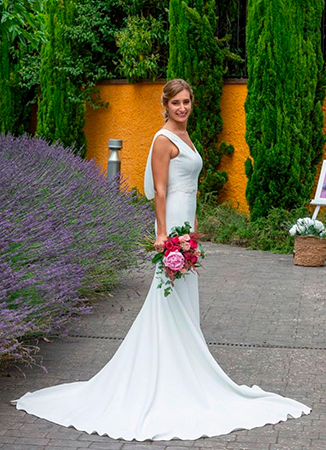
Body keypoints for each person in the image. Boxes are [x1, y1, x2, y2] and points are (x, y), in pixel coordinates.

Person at [13, 79, 311, 441]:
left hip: (187, 226)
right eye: (176, 103)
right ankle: (166, 371)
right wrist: (163, 234)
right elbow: (160, 189)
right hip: (170, 226)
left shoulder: (187, 138)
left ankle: (185, 367)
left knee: (183, 296)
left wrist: (195, 228)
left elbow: (192, 187)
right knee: (165, 294)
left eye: (187, 102)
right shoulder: (162, 140)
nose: (182, 108)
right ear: (165, 105)